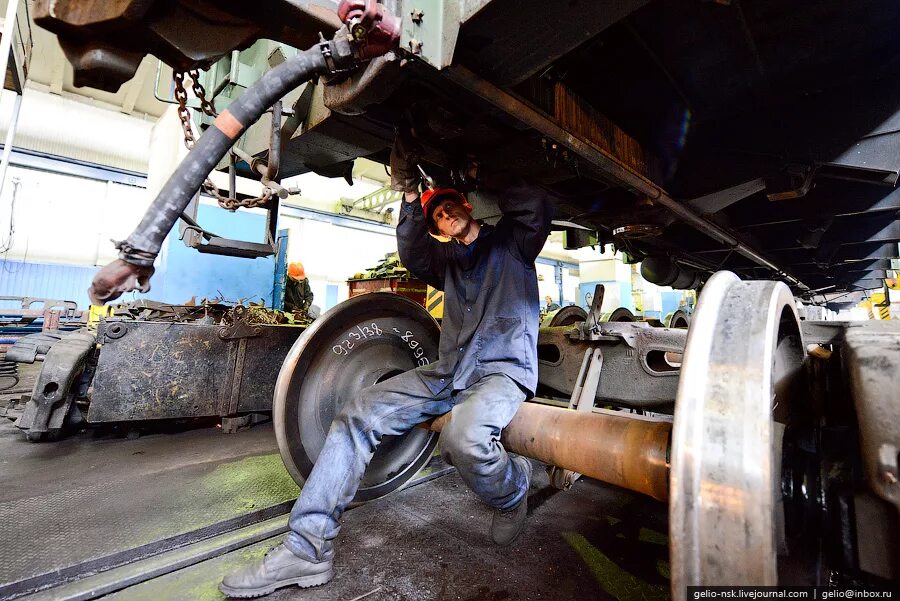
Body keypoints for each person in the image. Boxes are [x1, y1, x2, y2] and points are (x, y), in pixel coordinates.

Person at [219, 136, 553, 598]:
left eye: (450, 206)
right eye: (437, 215)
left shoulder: (514, 246)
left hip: (500, 370)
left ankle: (512, 488)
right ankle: (307, 549)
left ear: (468, 207)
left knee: (464, 437)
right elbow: (414, 254)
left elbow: (534, 205)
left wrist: (480, 176)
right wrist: (411, 194)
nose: (445, 215)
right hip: (449, 371)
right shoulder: (448, 263)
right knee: (358, 413)